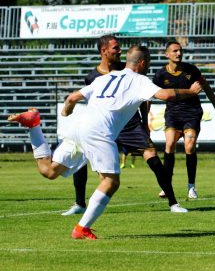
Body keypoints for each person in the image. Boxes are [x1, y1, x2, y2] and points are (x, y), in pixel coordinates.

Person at [8, 46, 202, 239]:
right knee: (110, 181)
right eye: (148, 63)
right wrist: (191, 92)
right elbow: (166, 95)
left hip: (78, 125)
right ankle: (82, 228)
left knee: (49, 171)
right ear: (142, 63)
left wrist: (66, 111)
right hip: (98, 132)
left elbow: (72, 97)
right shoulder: (140, 80)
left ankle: (34, 125)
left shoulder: (105, 77)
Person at [63, 35, 181, 217]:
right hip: (103, 126)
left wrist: (143, 121)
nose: (119, 51)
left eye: (119, 49)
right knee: (81, 158)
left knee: (152, 157)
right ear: (104, 51)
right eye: (115, 48)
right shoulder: (93, 77)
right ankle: (79, 203)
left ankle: (173, 202)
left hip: (129, 124)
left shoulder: (126, 70)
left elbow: (142, 96)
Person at [152, 41, 215, 200]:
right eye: (175, 51)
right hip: (172, 114)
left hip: (192, 113)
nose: (179, 53)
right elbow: (149, 93)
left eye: (180, 50)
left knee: (189, 146)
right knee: (169, 144)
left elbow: (207, 88)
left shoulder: (191, 70)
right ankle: (166, 186)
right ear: (167, 54)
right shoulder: (160, 75)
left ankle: (191, 187)